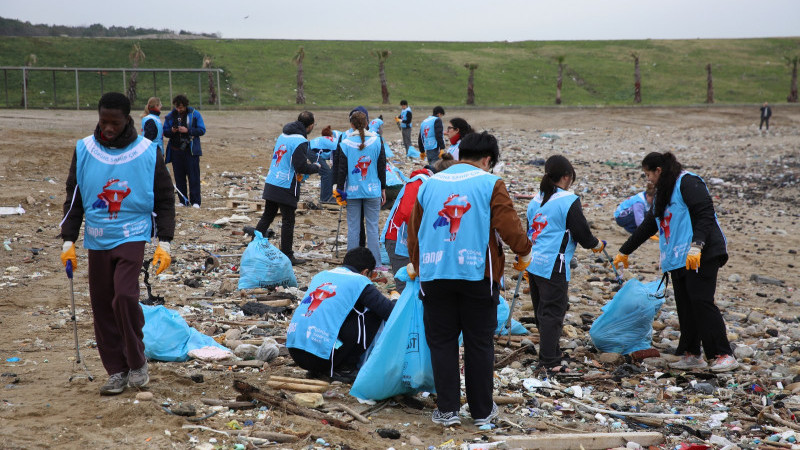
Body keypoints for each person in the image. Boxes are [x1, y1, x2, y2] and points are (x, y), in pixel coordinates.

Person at [407, 131, 532, 427]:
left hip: (435, 274)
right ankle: (481, 411)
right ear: (488, 159)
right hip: (477, 274)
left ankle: (448, 410)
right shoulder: (490, 183)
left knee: (442, 342)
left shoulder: (430, 182)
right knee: (478, 343)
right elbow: (509, 225)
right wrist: (524, 252)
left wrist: (416, 264)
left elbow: (414, 232)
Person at [60, 92, 175, 395]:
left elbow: (164, 198)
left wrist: (165, 241)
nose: (108, 128)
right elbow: (75, 197)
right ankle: (116, 370)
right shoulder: (84, 149)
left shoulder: (148, 151)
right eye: (103, 122)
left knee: (124, 296)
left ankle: (137, 362)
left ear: (127, 120)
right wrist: (68, 240)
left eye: (114, 122)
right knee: (101, 305)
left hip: (132, 234)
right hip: (97, 239)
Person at [613, 151, 738, 372]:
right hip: (678, 257)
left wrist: (697, 245)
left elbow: (705, 214)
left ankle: (722, 353)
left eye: (648, 174)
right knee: (685, 304)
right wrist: (625, 251)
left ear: (658, 170)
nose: (648, 179)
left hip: (702, 253)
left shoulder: (688, 182)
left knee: (701, 301)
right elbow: (651, 223)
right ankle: (691, 354)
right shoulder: (664, 190)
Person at [525, 155, 607, 374]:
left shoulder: (536, 199)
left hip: (534, 262)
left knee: (542, 310)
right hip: (553, 263)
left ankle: (550, 351)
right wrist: (596, 244)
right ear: (566, 176)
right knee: (553, 311)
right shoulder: (568, 200)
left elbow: (529, 231)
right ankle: (549, 361)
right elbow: (581, 232)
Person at [286, 247, 395, 381]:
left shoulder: (322, 275)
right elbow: (390, 311)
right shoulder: (359, 281)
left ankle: (324, 367)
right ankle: (345, 368)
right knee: (373, 314)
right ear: (366, 272)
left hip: (295, 351)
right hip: (320, 358)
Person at [255, 111, 320, 265]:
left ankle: (254, 246)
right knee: (288, 221)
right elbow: (300, 166)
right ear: (310, 126)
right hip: (286, 185)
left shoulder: (283, 135)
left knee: (267, 216)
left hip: (272, 180)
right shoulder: (301, 140)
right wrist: (316, 167)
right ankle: (287, 255)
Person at [335, 111, 387, 265]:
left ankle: (352, 264)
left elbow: (341, 170)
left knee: (353, 229)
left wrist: (339, 189)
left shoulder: (345, 143)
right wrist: (383, 188)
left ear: (351, 125)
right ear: (367, 123)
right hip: (373, 191)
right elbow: (381, 167)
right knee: (372, 228)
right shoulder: (377, 141)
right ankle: (376, 264)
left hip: (352, 192)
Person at [380, 167, 433, 294]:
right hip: (398, 240)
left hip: (409, 241)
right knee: (405, 286)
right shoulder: (418, 183)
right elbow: (408, 213)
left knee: (416, 285)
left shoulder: (424, 183)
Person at [163, 95, 206, 208]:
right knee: (179, 177)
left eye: (181, 107)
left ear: (185, 105)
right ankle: (183, 201)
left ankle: (196, 201)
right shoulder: (170, 116)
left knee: (194, 177)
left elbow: (202, 130)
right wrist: (172, 130)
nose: (179, 110)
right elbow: (165, 132)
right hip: (176, 151)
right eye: (177, 107)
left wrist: (188, 130)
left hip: (191, 151)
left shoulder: (195, 114)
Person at [308, 125, 338, 203]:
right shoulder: (342, 143)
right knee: (327, 173)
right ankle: (326, 198)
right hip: (312, 150)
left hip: (312, 147)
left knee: (327, 172)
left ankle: (325, 196)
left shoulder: (339, 139)